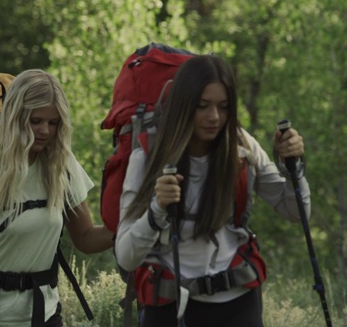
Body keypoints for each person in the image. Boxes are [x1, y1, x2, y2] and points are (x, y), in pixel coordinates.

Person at [114, 55, 311, 327]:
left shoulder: (243, 148)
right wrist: (157, 210)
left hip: (239, 302)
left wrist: (292, 167)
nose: (214, 117)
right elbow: (125, 255)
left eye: (224, 107)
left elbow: (296, 211)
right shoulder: (148, 158)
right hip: (170, 304)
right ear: (184, 105)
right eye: (202, 106)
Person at [0, 69, 114, 327]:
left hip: (43, 316)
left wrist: (136, 225)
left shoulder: (63, 168)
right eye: (35, 121)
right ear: (15, 117)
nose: (45, 130)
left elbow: (85, 238)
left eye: (53, 122)